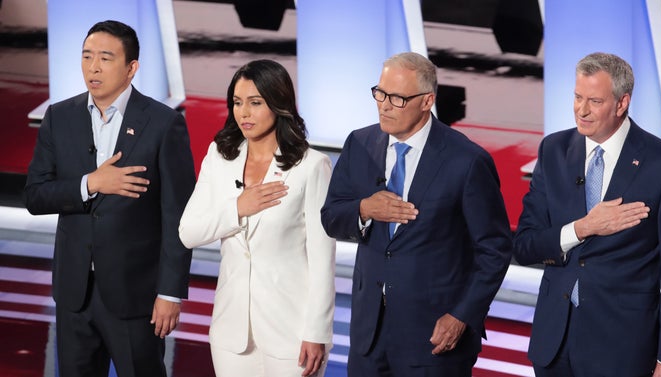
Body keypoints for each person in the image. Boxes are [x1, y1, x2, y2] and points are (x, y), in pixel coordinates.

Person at [321, 52, 513, 376]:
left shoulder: (466, 160)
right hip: (369, 337)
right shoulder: (360, 143)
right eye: (379, 93)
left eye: (396, 98)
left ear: (427, 101)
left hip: (434, 340)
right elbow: (331, 217)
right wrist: (365, 209)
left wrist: (462, 315)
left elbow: (494, 249)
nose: (383, 105)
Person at [24, 20, 196, 376]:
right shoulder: (59, 117)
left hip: (136, 297)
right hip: (74, 295)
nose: (93, 67)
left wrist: (170, 293)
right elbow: (35, 195)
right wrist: (90, 183)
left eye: (105, 57)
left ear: (131, 68)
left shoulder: (163, 124)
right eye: (87, 56)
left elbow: (178, 217)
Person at [513, 52, 661, 377]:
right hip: (553, 344)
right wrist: (582, 228)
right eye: (577, 97)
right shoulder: (553, 151)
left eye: (594, 101)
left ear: (621, 103)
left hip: (621, 349)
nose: (581, 110)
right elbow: (526, 245)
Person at [178, 59, 335, 377]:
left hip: (292, 332)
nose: (244, 113)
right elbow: (188, 232)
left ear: (279, 104)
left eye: (255, 103)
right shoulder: (220, 157)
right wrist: (237, 208)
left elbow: (322, 259)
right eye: (237, 103)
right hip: (231, 332)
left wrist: (317, 332)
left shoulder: (311, 166)